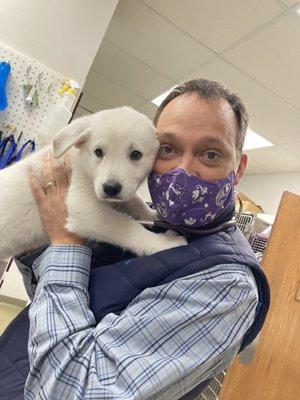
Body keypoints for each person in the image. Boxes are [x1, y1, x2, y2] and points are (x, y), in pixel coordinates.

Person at [0, 79, 270, 400]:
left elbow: (71, 390)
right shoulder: (156, 224)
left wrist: (65, 240)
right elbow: (56, 302)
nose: (183, 171)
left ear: (238, 169)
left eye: (210, 153)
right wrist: (41, 248)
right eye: (168, 149)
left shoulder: (227, 285)